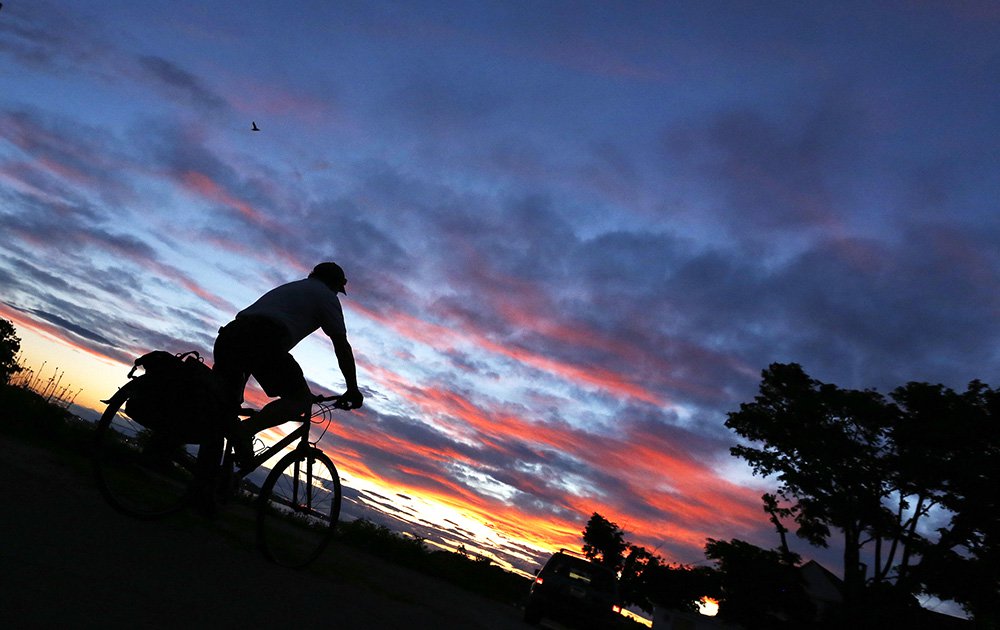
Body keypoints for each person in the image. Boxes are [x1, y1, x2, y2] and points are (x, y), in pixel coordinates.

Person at [213, 262, 364, 463]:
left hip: (230, 336)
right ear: (334, 284)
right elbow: (341, 346)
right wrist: (352, 388)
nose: (337, 293)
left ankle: (205, 480)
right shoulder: (326, 296)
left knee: (222, 410)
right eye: (338, 289)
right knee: (299, 401)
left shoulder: (293, 287)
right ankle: (244, 431)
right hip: (263, 339)